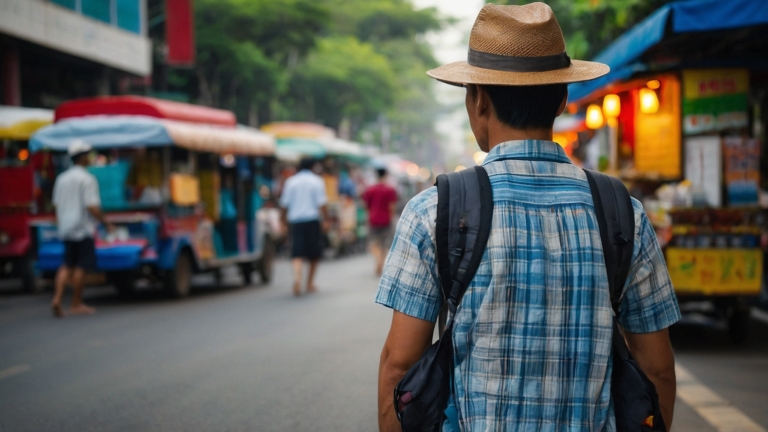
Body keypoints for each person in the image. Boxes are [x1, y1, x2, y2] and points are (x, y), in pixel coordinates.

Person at [376, 4, 680, 432]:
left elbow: (398, 367)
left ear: (478, 100)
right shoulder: (621, 211)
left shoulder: (434, 211)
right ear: (561, 99)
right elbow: (658, 370)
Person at [51, 141, 113, 318]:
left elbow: (56, 205)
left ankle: (57, 298)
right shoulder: (87, 179)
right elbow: (91, 206)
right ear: (83, 157)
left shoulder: (61, 178)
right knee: (80, 266)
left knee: (67, 264)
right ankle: (76, 303)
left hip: (65, 227)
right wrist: (105, 222)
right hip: (81, 228)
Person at [280, 158, 328, 296]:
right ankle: (309, 282)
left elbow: (284, 204)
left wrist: (282, 221)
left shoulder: (291, 181)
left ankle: (297, 279)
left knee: (297, 252)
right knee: (314, 253)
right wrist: (325, 220)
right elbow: (322, 203)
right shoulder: (317, 181)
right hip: (313, 220)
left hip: (296, 222)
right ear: (313, 166)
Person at [362, 168, 398, 276]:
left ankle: (378, 259)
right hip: (386, 219)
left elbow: (366, 206)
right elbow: (392, 206)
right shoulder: (390, 189)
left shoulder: (370, 189)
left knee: (372, 243)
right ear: (386, 175)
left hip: (373, 219)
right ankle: (381, 260)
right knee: (384, 243)